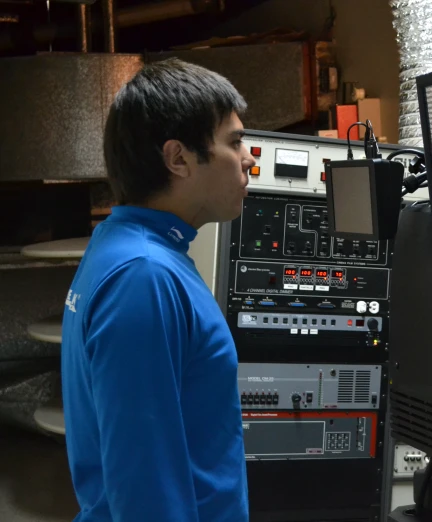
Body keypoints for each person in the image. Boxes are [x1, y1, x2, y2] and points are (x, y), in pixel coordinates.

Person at [61, 58, 255, 522]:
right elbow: (145, 489)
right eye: (235, 141)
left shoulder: (128, 249)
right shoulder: (143, 277)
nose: (249, 156)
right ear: (178, 158)